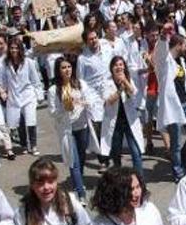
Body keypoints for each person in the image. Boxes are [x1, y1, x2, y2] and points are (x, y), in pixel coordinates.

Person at [156, 29, 186, 180]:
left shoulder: (181, 61)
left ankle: (185, 158)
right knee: (175, 143)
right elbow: (161, 52)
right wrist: (164, 37)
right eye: (184, 45)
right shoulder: (166, 60)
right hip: (173, 107)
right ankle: (178, 171)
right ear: (178, 45)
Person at [47, 56, 99, 200]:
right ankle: (81, 193)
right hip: (66, 130)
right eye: (63, 68)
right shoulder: (53, 90)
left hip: (82, 127)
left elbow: (92, 100)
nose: (67, 70)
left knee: (81, 158)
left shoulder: (80, 84)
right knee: (73, 161)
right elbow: (52, 112)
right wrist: (64, 107)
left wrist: (80, 102)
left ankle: (77, 182)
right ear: (58, 71)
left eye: (69, 67)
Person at [101, 56, 145, 178]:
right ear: (111, 68)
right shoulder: (106, 82)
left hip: (129, 121)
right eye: (116, 65)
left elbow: (133, 93)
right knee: (116, 154)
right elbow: (109, 100)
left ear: (124, 66)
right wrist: (120, 90)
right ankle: (119, 181)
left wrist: (125, 81)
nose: (119, 67)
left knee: (136, 152)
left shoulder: (128, 79)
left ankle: (139, 181)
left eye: (121, 64)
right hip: (114, 123)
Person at [77, 28, 112, 171]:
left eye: (95, 37)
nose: (94, 41)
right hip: (92, 96)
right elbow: (81, 79)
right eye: (90, 39)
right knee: (97, 126)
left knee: (109, 124)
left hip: (108, 91)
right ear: (86, 42)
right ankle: (103, 159)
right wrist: (85, 97)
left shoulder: (107, 51)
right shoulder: (83, 59)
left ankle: (111, 153)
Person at [1, 38, 44, 155]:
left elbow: (35, 80)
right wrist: (3, 92)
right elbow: (4, 80)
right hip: (14, 96)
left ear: (20, 49)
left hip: (28, 95)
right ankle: (24, 145)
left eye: (16, 48)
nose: (14, 50)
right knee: (19, 122)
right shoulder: (5, 63)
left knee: (31, 121)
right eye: (11, 48)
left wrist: (39, 94)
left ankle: (33, 145)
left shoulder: (28, 62)